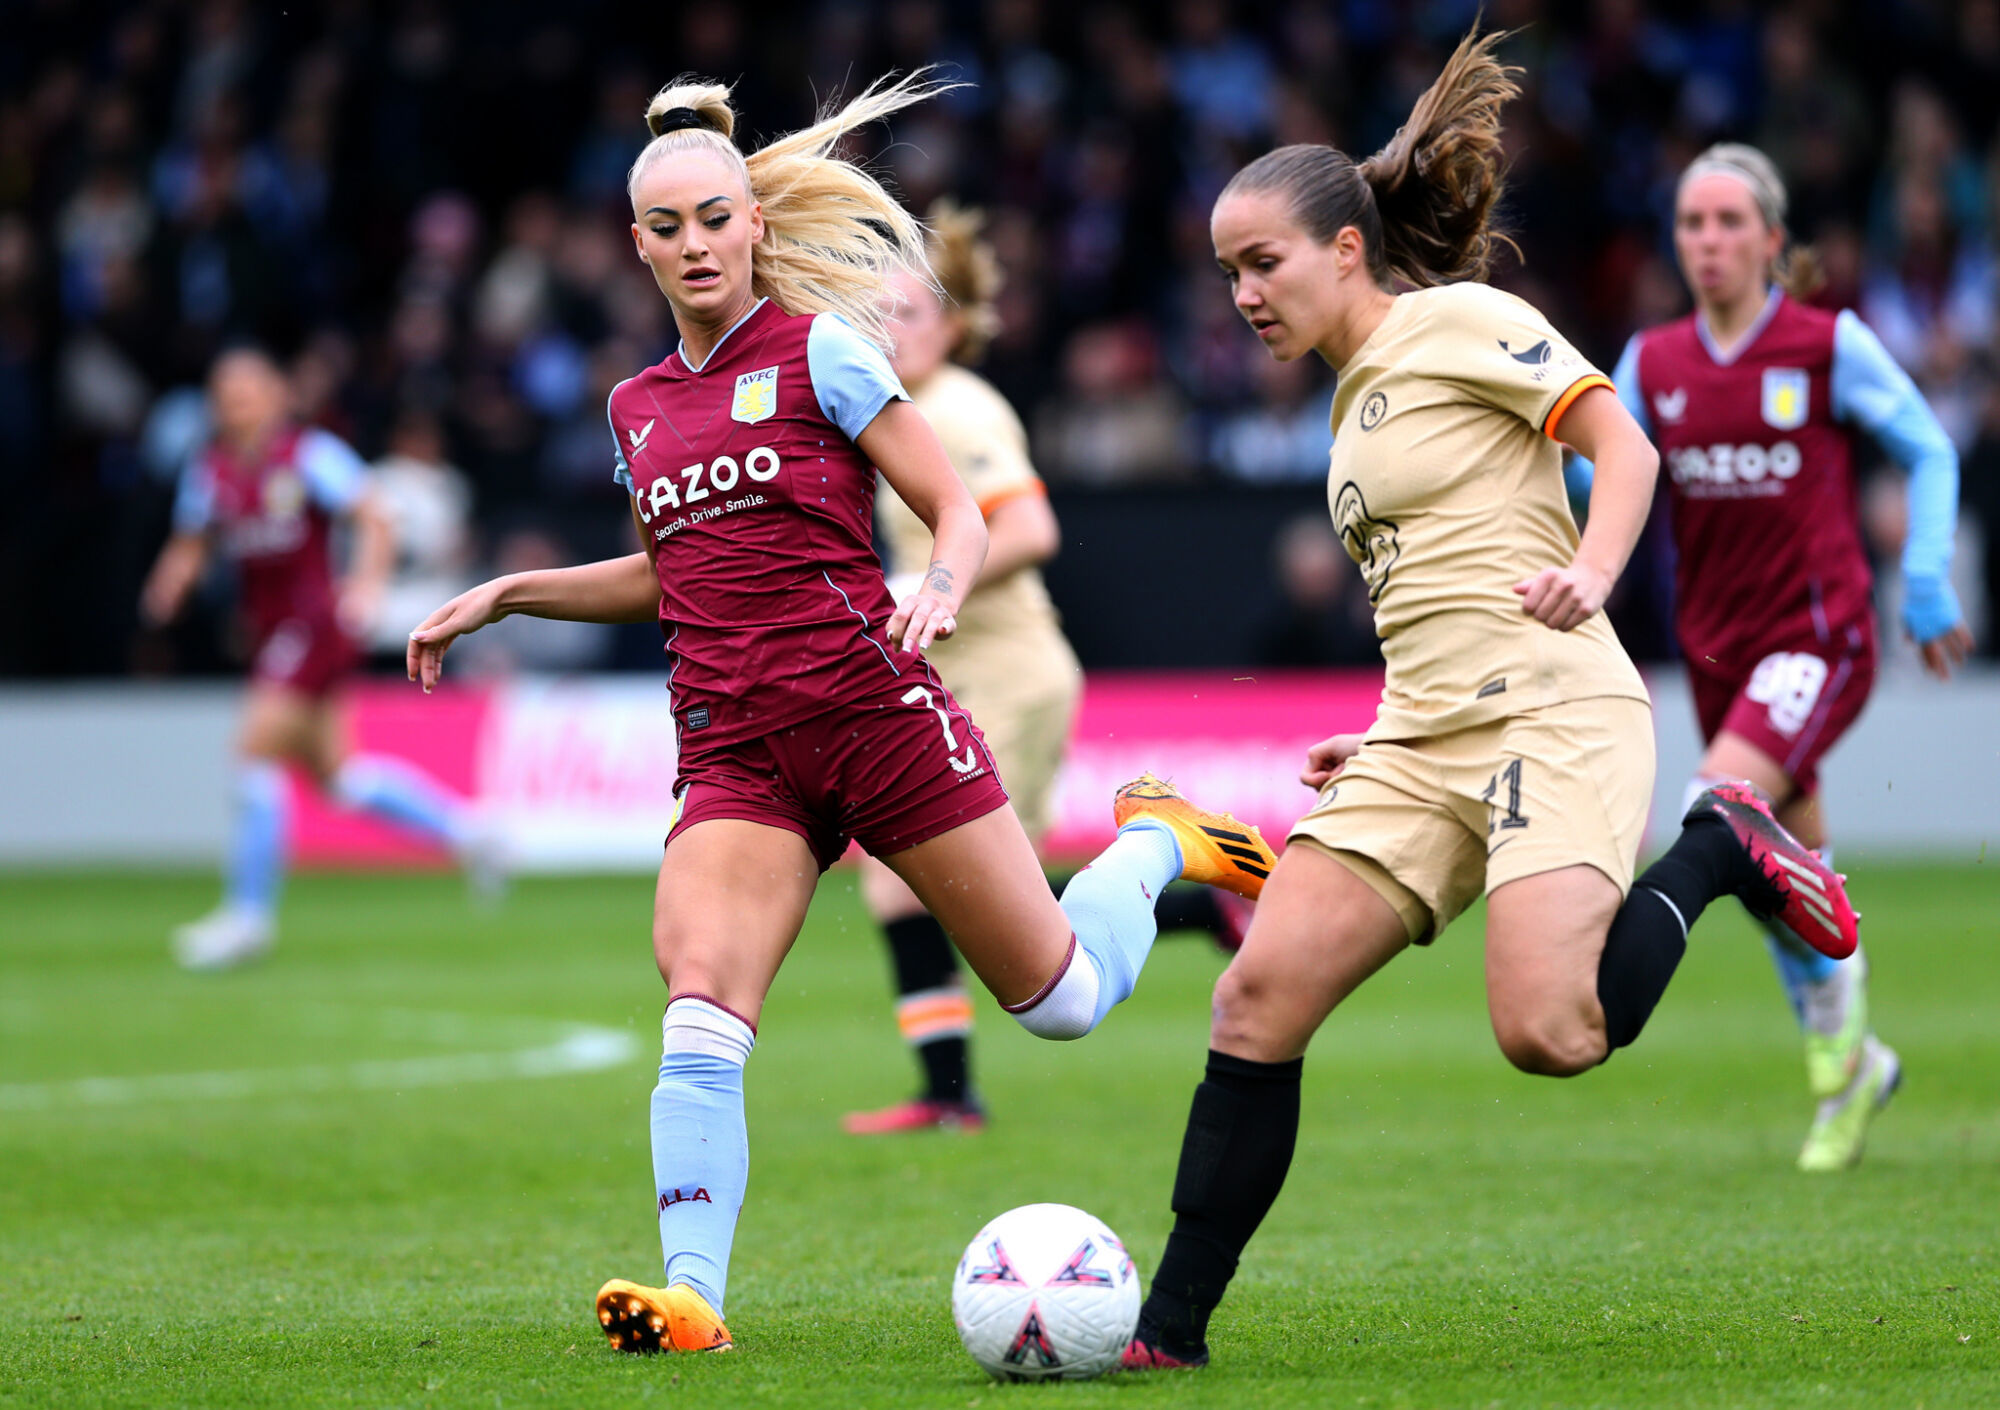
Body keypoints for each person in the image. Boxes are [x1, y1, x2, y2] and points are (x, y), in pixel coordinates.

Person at [403, 73, 1273, 1356]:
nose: (694, 245)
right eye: (666, 228)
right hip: (735, 752)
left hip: (874, 716)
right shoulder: (634, 407)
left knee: (1061, 1003)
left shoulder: (822, 349)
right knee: (697, 998)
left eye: (714, 218)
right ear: (634, 244)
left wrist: (936, 586)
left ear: (753, 222)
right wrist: (509, 594)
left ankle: (1155, 843)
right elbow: (671, 570)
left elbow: (960, 509)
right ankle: (693, 1295)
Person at [1117, 31, 1861, 1372]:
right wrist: (1393, 718)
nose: (1241, 294)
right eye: (1227, 271)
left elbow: (1619, 441)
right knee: (1255, 1000)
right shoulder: (1350, 408)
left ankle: (1723, 846)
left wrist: (1593, 567)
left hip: (1548, 708)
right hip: (1425, 733)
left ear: (1347, 249)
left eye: (1263, 261)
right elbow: (1434, 582)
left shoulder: (1458, 320)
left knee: (1552, 1031)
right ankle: (1167, 1332)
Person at [1585, 143, 1970, 1172]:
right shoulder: (1649, 365)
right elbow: (1595, 492)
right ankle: (1852, 1062)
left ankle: (1829, 1033)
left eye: (1725, 223)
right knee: (1784, 871)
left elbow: (1929, 448)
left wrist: (1924, 580)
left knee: (1718, 809)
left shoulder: (1822, 346)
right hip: (1714, 652)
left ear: (1769, 238)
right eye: (1689, 224)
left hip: (1817, 636)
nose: (1705, 242)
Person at [844, 202, 1247, 1136]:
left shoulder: (958, 410)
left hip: (1012, 678)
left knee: (975, 896)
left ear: (953, 326)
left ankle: (1180, 883)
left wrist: (915, 577)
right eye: (877, 315)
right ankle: (950, 1096)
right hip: (964, 679)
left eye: (906, 313)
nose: (888, 331)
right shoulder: (903, 414)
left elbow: (1029, 529)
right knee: (919, 883)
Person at [140, 348, 501, 971]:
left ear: (277, 396)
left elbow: (375, 516)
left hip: (313, 626)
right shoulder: (212, 471)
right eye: (226, 393)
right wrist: (169, 584)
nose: (237, 403)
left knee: (252, 752)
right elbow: (192, 541)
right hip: (269, 631)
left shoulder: (307, 455)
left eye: (249, 390)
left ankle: (247, 917)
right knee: (339, 778)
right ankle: (471, 836)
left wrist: (365, 586)